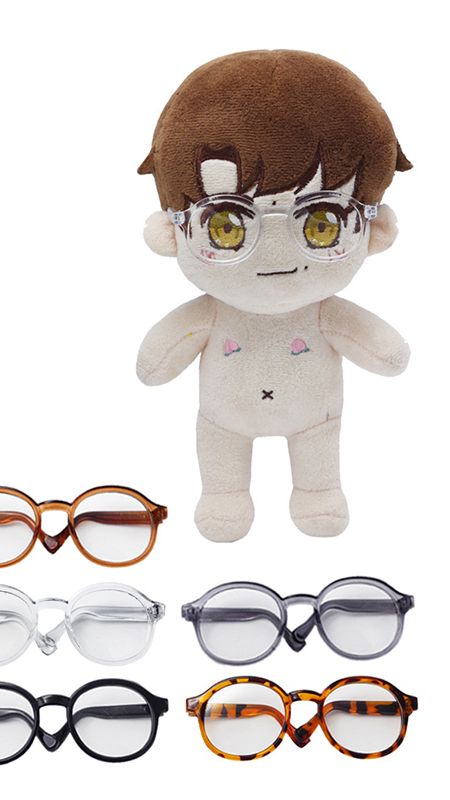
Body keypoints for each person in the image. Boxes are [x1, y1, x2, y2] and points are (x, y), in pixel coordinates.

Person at [136, 50, 410, 541]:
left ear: (375, 231)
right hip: (225, 419)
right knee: (221, 448)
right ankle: (224, 494)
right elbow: (153, 366)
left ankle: (317, 491)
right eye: (225, 225)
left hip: (312, 418)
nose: (276, 253)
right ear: (170, 233)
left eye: (323, 222)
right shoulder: (211, 314)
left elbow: (389, 356)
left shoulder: (325, 314)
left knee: (317, 447)